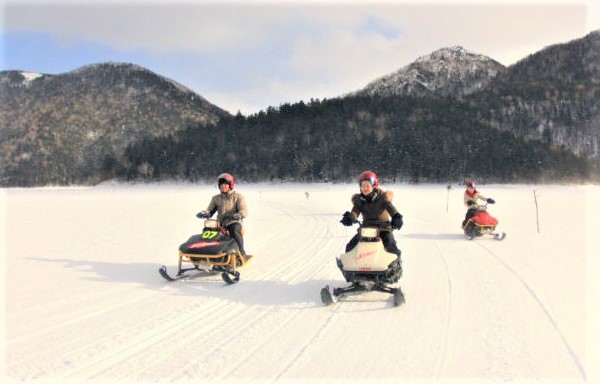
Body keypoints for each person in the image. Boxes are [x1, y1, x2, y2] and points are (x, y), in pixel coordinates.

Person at [340, 171, 403, 259]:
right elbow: (356, 210)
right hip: (366, 228)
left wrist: (396, 216)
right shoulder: (359, 199)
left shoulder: (382, 196)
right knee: (351, 247)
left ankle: (397, 264)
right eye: (363, 186)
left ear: (374, 185)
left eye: (367, 186)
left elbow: (389, 206)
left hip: (383, 228)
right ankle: (351, 267)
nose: (365, 188)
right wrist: (351, 216)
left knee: (390, 244)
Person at [196, 173, 248, 258]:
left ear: (230, 185)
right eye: (221, 185)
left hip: (233, 221)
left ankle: (241, 252)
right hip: (220, 223)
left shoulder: (238, 197)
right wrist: (205, 213)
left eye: (225, 184)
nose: (223, 186)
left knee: (234, 230)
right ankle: (207, 253)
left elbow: (244, 210)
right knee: (207, 231)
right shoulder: (215, 198)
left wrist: (239, 215)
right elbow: (210, 210)